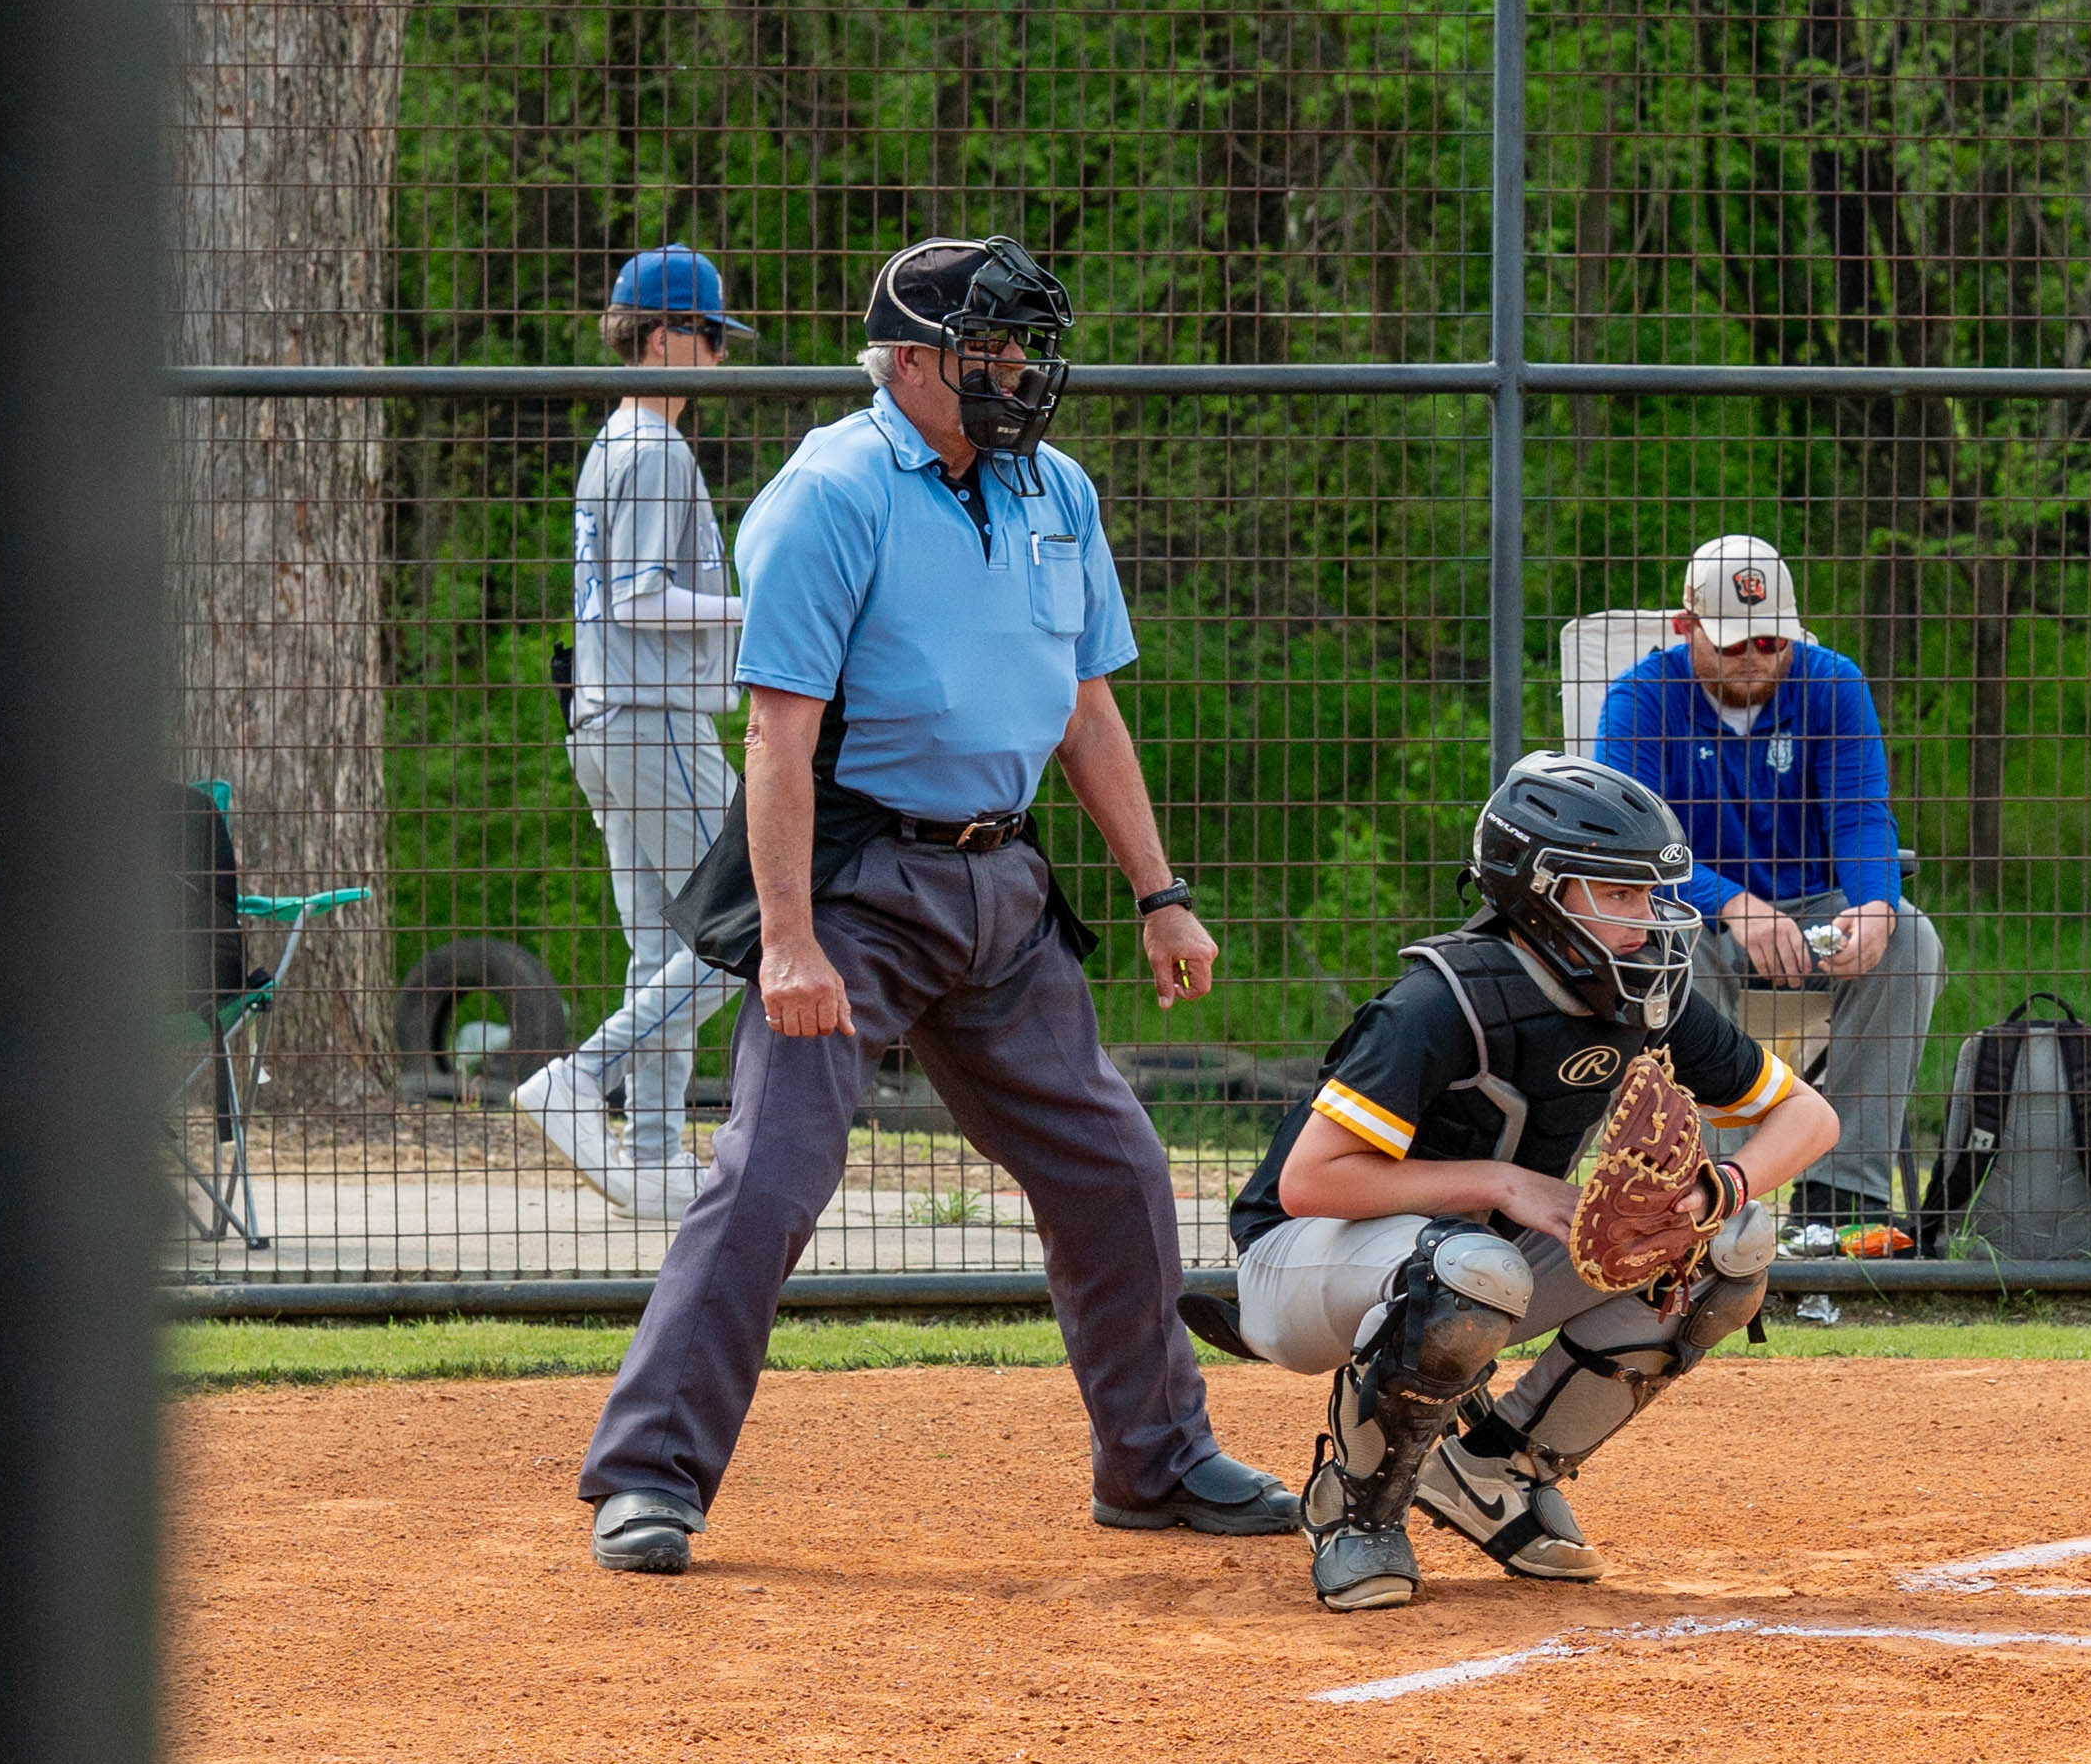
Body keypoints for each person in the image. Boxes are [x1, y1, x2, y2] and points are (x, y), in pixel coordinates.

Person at [573, 235, 1297, 1572]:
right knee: (772, 1177)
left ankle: (1157, 1461)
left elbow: (1087, 706)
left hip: (1005, 889)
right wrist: (787, 944)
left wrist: (1161, 891)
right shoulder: (830, 493)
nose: (1017, 373)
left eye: (1023, 345)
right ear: (909, 362)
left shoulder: (1055, 491)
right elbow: (777, 740)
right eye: (988, 350)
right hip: (858, 887)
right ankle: (650, 1475)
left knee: (1117, 1170)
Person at [1230, 752, 1836, 1613]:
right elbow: (1309, 1182)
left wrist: (1712, 1194)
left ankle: (1495, 1468)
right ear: (1541, 892)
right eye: (1618, 896)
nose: (1650, 919)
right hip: (1297, 1265)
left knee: (1728, 1248)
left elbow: (1810, 1118)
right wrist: (1507, 1183)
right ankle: (1358, 1510)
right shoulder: (1440, 1002)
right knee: (1469, 1266)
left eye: (1650, 895)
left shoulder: (1641, 995)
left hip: (1473, 1255)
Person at [1593, 536, 1941, 1245]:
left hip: (1811, 915)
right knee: (1662, 951)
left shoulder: (1833, 682)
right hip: (1692, 918)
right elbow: (1628, 844)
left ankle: (1842, 1197)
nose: (1755, 658)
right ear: (1684, 628)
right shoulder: (1638, 700)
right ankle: (1699, 1196)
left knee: (1911, 936)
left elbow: (1862, 812)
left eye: (1770, 641)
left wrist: (1873, 903)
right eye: (1733, 644)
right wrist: (1728, 903)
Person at [519, 243, 740, 1223]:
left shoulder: (617, 439)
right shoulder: (654, 446)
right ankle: (583, 1073)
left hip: (608, 720)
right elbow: (646, 598)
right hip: (652, 718)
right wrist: (755, 610)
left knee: (662, 944)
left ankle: (652, 1158)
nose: (722, 360)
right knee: (755, 925)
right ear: (662, 337)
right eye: (710, 337)